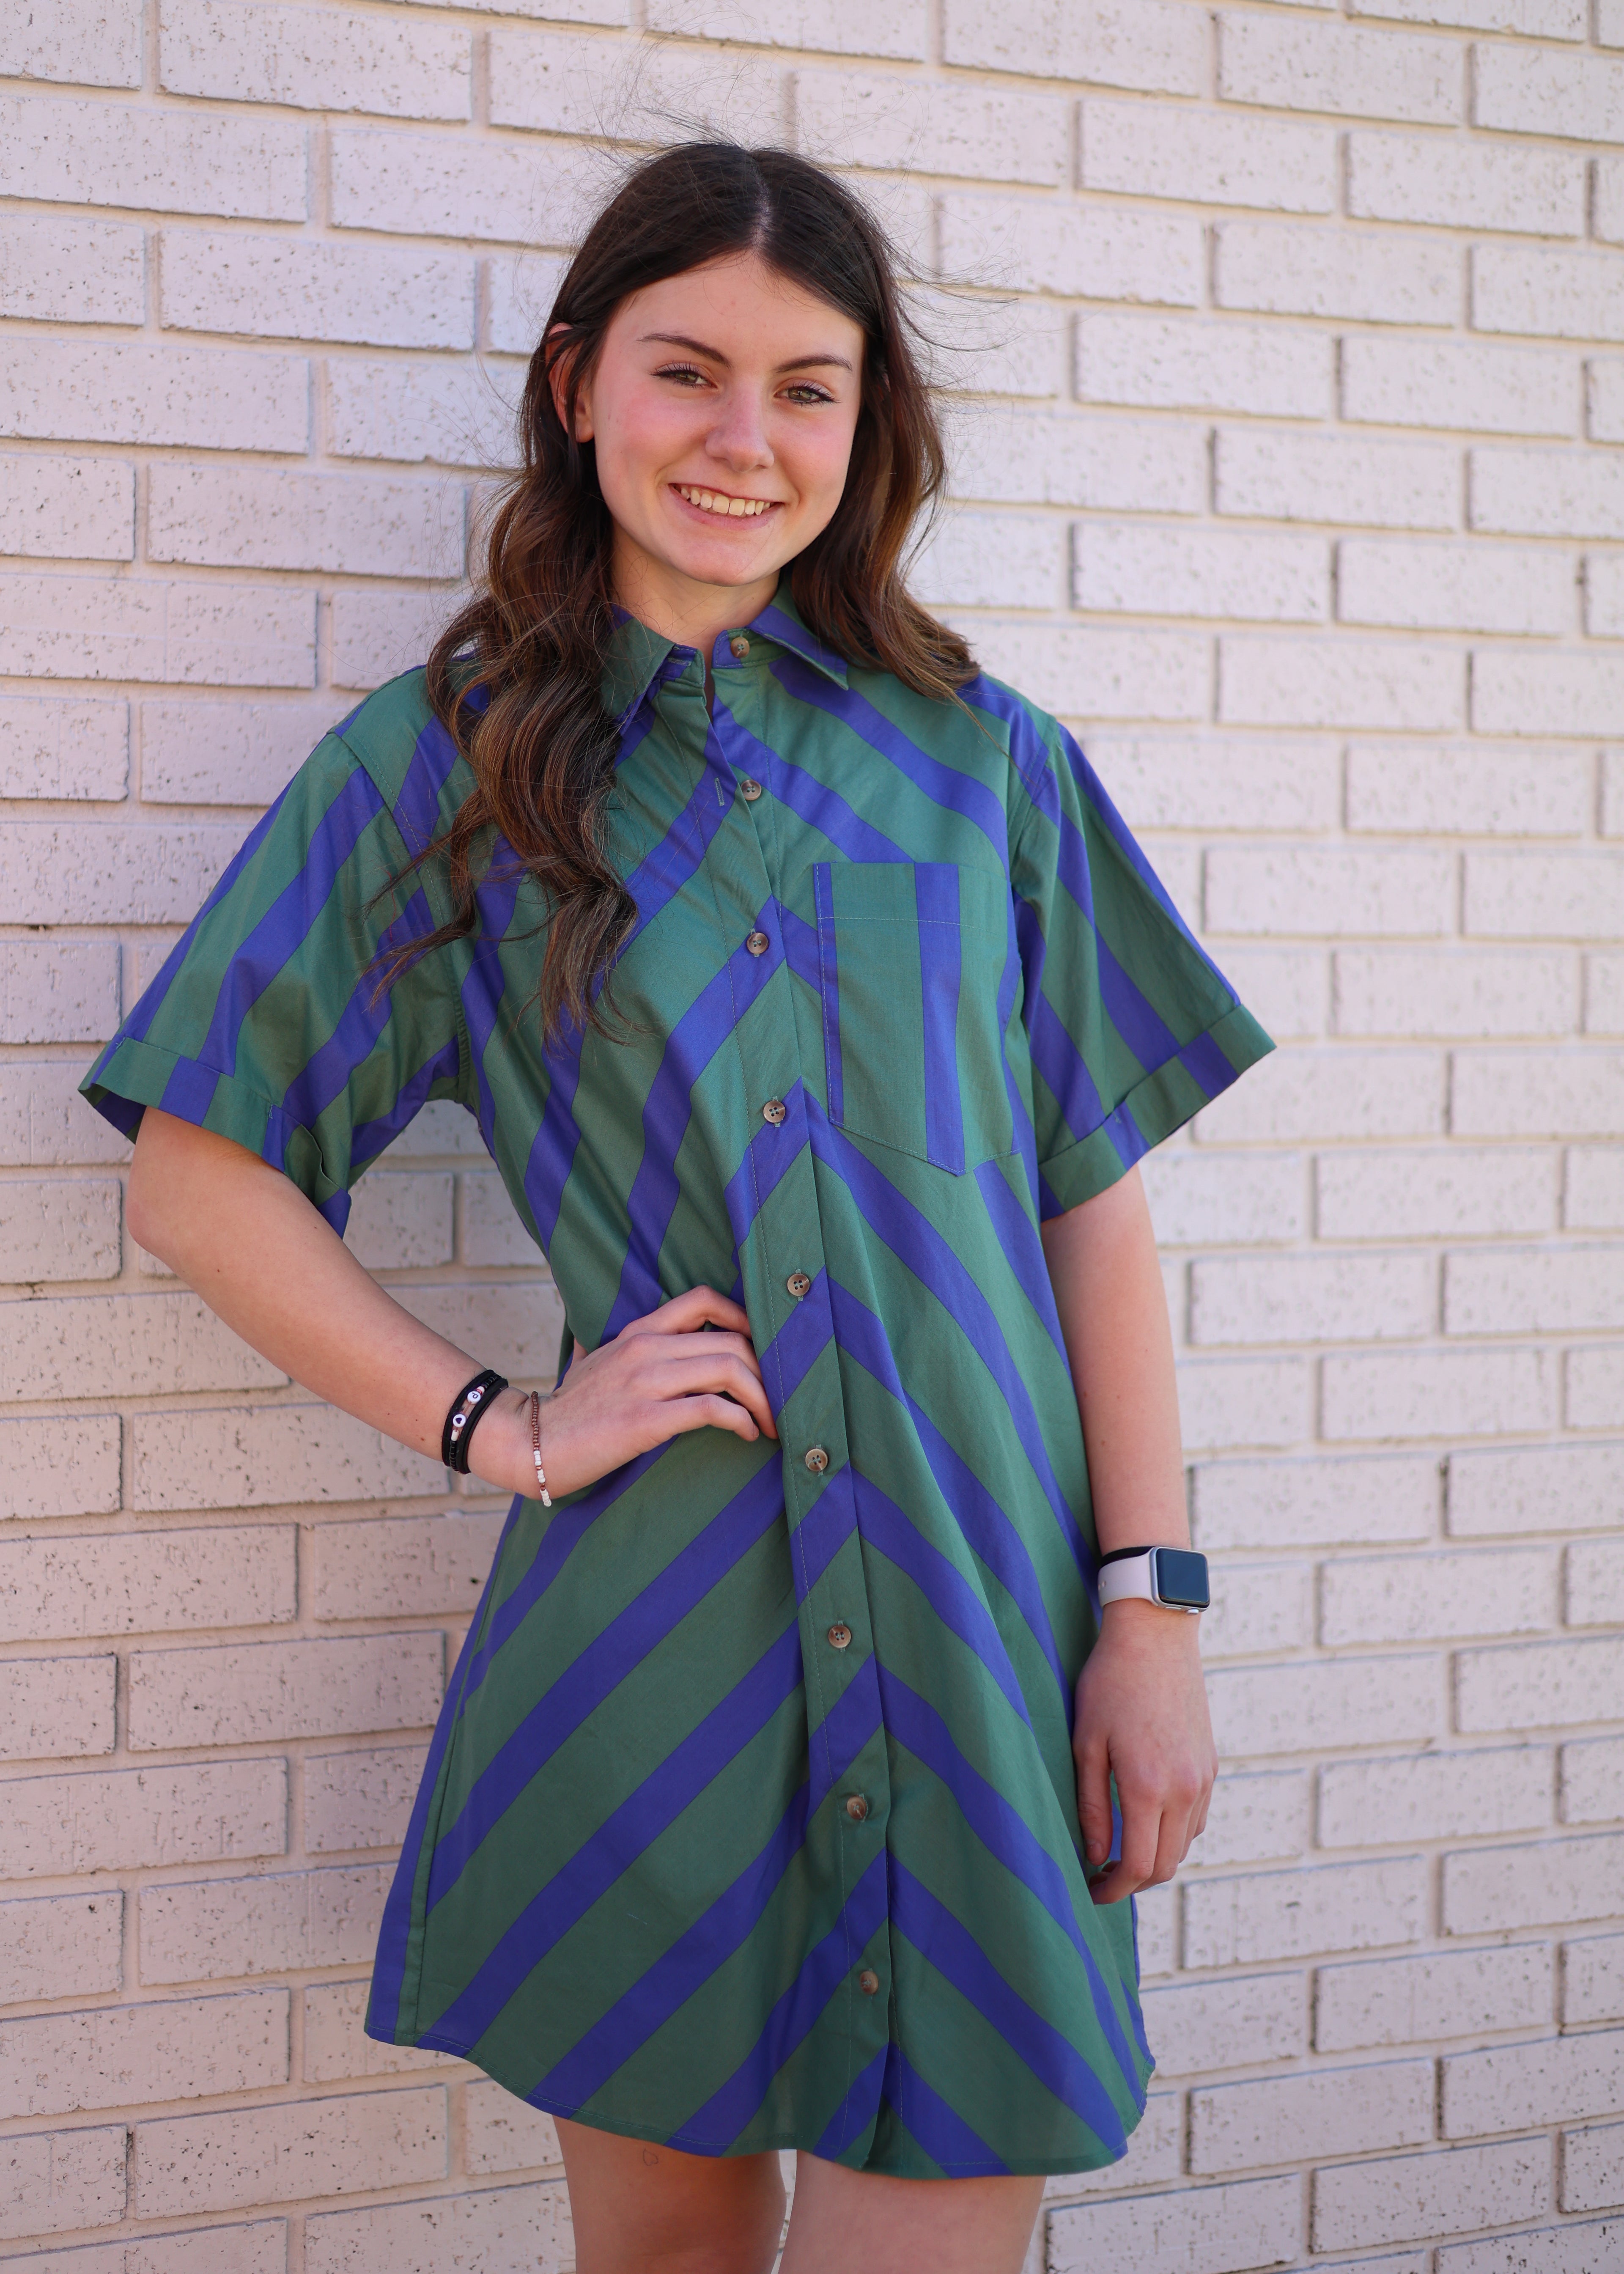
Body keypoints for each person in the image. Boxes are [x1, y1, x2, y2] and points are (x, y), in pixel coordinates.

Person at [86, 142, 1272, 2274]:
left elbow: (1088, 1207)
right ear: (577, 385)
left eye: (807, 387)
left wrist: (1150, 1610)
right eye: (688, 372)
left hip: (989, 1627)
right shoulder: (446, 769)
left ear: (865, 422)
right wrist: (504, 1427)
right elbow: (197, 1177)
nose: (746, 439)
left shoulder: (982, 765)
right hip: (662, 1643)